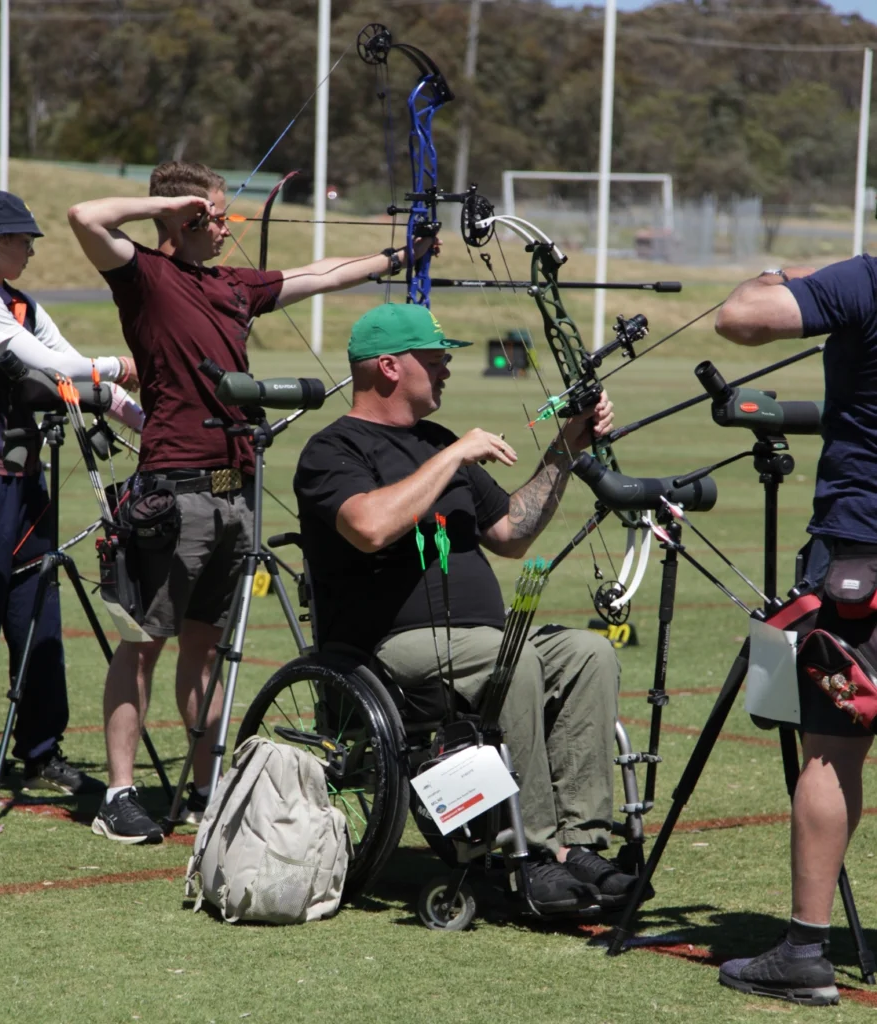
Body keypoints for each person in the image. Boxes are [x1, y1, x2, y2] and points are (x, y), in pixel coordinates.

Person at [68, 160, 437, 844]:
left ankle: (205, 787)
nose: (222, 228)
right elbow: (85, 217)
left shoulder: (235, 286)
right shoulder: (145, 278)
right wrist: (167, 206)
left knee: (205, 650)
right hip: (171, 489)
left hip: (234, 493)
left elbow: (321, 274)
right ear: (175, 217)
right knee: (142, 642)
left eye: (223, 215)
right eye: (210, 217)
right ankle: (118, 797)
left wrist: (399, 254)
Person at [293, 302, 643, 913]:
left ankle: (580, 843)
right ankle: (529, 851)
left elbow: (513, 531)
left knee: (588, 652)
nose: (448, 369)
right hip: (384, 649)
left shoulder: (435, 439)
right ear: (389, 367)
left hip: (479, 637)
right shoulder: (333, 449)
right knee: (509, 665)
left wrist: (566, 446)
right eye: (436, 360)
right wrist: (452, 458)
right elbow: (370, 527)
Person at [0, 189, 143, 807]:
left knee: (37, 622)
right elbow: (38, 360)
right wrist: (115, 366)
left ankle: (41, 752)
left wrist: (150, 431)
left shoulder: (21, 301)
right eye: (22, 240)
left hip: (27, 486)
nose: (28, 249)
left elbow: (64, 367)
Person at [713, 261, 877, 1007]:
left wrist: (773, 277)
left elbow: (740, 319)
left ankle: (806, 950)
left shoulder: (866, 281)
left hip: (859, 551)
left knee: (833, 749)